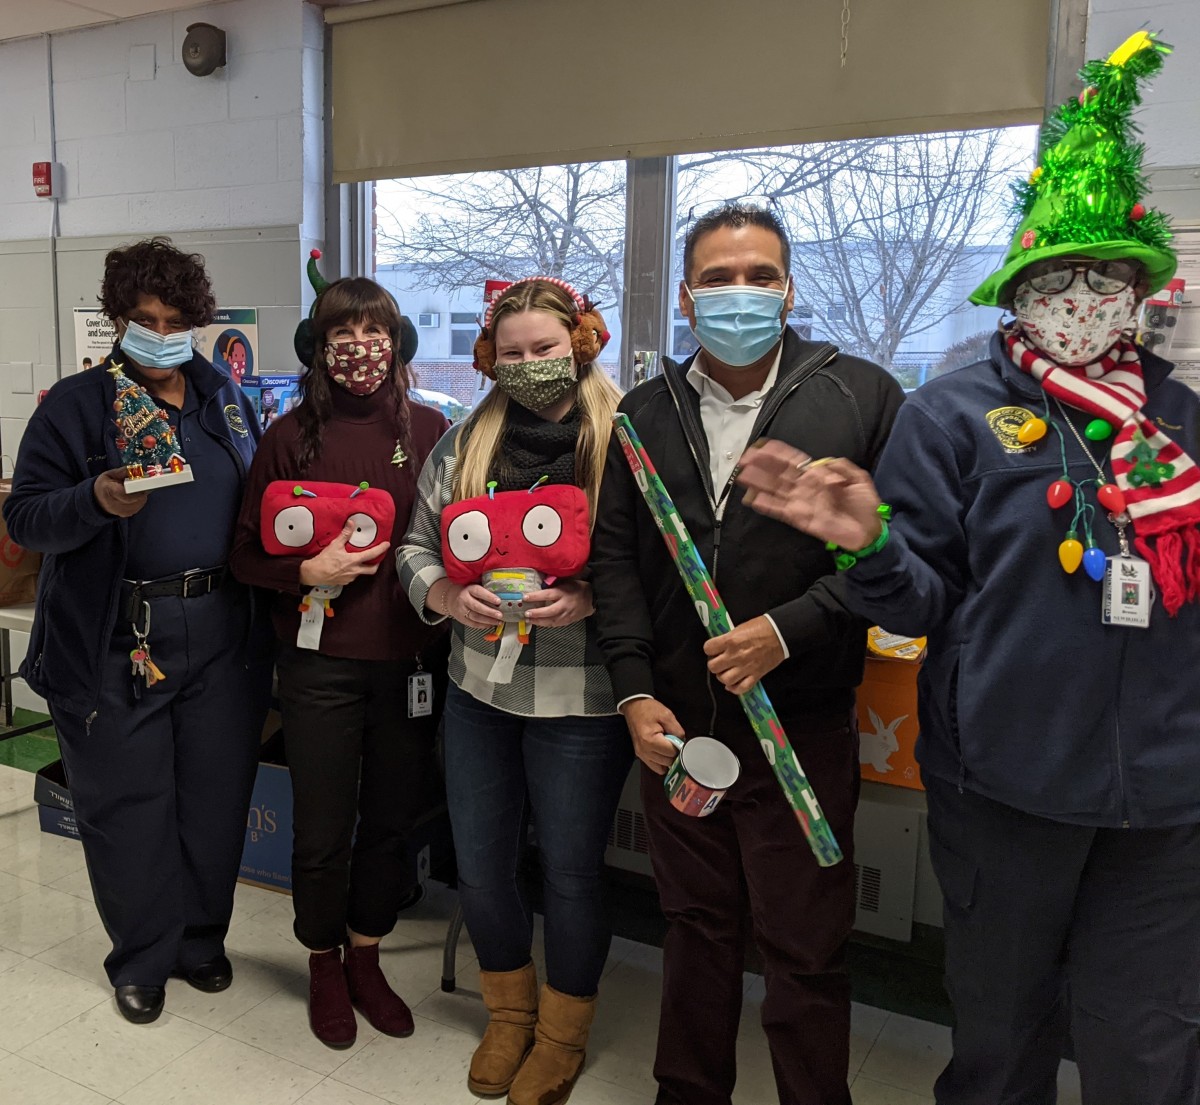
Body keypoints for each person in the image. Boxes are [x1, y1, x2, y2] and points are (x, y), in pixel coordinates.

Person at [734, 33, 1200, 1105]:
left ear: (1142, 292)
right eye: (1061, 276)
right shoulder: (954, 413)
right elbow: (920, 599)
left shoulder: (1181, 426)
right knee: (1002, 1032)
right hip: (1007, 786)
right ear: (1020, 288)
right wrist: (870, 541)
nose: (1085, 297)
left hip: (1170, 801)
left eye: (1109, 277)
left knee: (1152, 1044)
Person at [589, 203, 904, 1105]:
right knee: (695, 928)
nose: (739, 294)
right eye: (718, 279)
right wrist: (633, 691)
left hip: (802, 730)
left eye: (759, 276)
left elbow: (897, 556)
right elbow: (616, 559)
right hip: (680, 734)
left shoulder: (863, 395)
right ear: (686, 296)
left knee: (806, 950)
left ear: (789, 288)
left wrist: (786, 630)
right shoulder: (645, 411)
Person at [3, 236, 271, 1024]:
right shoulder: (78, 406)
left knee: (215, 796)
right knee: (129, 805)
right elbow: (22, 515)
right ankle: (143, 956)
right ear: (117, 318)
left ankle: (199, 939)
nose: (160, 332)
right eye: (143, 318)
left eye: (176, 319)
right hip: (120, 632)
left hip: (220, 625)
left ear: (198, 322)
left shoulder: (223, 393)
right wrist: (94, 499)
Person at [397, 277, 630, 1105]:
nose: (532, 365)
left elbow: (660, 559)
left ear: (582, 341)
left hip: (584, 700)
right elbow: (414, 548)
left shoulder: (624, 440)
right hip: (477, 693)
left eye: (547, 348)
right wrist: (448, 596)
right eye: (516, 352)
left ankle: (562, 1034)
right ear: (491, 357)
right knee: (485, 866)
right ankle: (508, 1012)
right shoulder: (465, 445)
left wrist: (595, 593)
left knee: (570, 873)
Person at [230, 273, 449, 1049]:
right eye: (342, 336)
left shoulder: (430, 429)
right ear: (318, 349)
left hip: (408, 661)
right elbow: (246, 553)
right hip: (318, 663)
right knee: (322, 825)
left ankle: (367, 952)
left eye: (375, 333)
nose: (361, 350)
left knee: (391, 819)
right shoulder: (289, 436)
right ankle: (322, 958)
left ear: (398, 343)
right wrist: (304, 573)